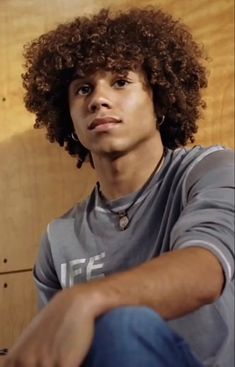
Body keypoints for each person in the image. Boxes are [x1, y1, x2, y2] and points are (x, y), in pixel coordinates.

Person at [4, 6, 234, 367]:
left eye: (121, 82)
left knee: (123, 325)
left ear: (159, 100)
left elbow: (207, 268)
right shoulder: (59, 238)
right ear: (69, 120)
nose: (98, 99)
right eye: (83, 89)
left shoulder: (210, 170)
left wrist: (87, 299)